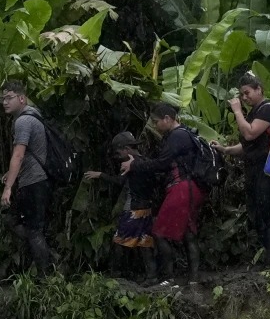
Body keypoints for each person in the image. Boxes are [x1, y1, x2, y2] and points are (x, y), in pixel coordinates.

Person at [123, 102, 204, 284]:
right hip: (193, 188)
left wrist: (134, 164)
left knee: (159, 232)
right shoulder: (187, 133)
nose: (154, 125)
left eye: (156, 121)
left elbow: (161, 164)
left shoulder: (176, 137)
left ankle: (168, 278)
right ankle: (194, 279)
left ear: (167, 119)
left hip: (181, 188)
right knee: (189, 235)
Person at [213, 74, 270, 267]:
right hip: (254, 169)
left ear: (259, 89)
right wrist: (226, 149)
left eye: (247, 93)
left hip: (269, 171)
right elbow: (248, 146)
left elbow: (250, 133)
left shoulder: (267, 109)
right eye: (241, 95)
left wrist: (237, 111)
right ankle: (267, 258)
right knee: (258, 212)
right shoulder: (255, 112)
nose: (244, 98)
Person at [87, 132, 159, 281]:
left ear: (127, 149)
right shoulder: (145, 161)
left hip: (133, 210)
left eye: (118, 152)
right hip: (146, 210)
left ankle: (116, 275)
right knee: (144, 243)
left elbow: (119, 182)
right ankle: (151, 276)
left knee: (119, 241)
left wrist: (100, 174)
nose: (117, 156)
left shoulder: (132, 164)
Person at [0, 81, 54, 273]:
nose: (5, 102)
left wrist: (8, 188)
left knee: (32, 230)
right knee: (29, 227)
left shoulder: (23, 121)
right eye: (2, 98)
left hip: (33, 182)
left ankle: (47, 274)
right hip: (39, 180)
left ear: (21, 98)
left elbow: (19, 154)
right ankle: (49, 262)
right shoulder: (35, 115)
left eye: (9, 97)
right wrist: (11, 174)